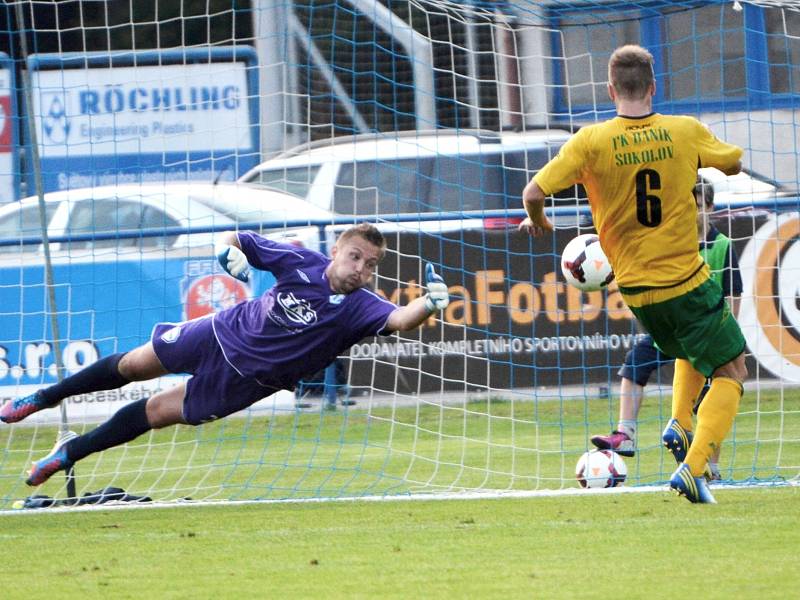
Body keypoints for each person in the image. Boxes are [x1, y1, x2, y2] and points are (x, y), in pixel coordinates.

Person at [0, 224, 450, 487]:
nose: (361, 269)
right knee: (133, 365)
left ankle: (69, 453)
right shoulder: (300, 261)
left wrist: (429, 303)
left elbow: (400, 320)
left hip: (244, 382)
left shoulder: (362, 307)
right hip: (218, 333)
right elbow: (240, 238)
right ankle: (45, 396)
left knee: (156, 412)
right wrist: (227, 254)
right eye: (355, 257)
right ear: (336, 251)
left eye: (371, 265)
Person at [519, 45, 747, 503]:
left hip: (637, 293)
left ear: (610, 89)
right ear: (653, 86)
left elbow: (532, 191)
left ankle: (680, 425)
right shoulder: (682, 131)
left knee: (687, 348)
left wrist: (541, 221)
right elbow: (733, 163)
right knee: (733, 368)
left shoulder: (591, 141)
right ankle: (694, 467)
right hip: (684, 278)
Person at [590, 175, 743, 481]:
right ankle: (626, 433)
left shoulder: (722, 246)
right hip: (673, 329)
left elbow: (732, 296)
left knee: (709, 398)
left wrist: (727, 336)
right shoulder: (674, 243)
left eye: (699, 206)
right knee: (635, 364)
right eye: (688, 206)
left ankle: (710, 465)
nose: (693, 212)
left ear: (710, 207)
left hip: (710, 332)